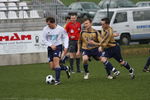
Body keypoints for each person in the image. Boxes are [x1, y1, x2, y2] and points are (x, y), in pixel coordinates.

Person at [42, 17, 70, 85]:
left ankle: (57, 80)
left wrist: (66, 46)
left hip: (58, 47)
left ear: (53, 23)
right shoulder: (45, 29)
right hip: (50, 48)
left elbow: (65, 37)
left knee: (56, 63)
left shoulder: (60, 29)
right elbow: (43, 39)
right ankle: (65, 68)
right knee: (52, 67)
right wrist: (51, 45)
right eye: (47, 24)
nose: (48, 25)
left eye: (49, 24)